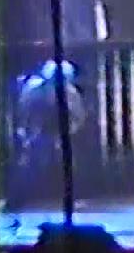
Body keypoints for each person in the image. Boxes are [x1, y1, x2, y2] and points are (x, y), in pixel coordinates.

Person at [5, 60, 86, 211]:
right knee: (29, 166)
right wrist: (26, 133)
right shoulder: (33, 91)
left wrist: (66, 134)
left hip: (60, 132)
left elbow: (78, 116)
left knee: (68, 165)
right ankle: (14, 201)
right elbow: (24, 113)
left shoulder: (71, 93)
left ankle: (71, 200)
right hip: (37, 132)